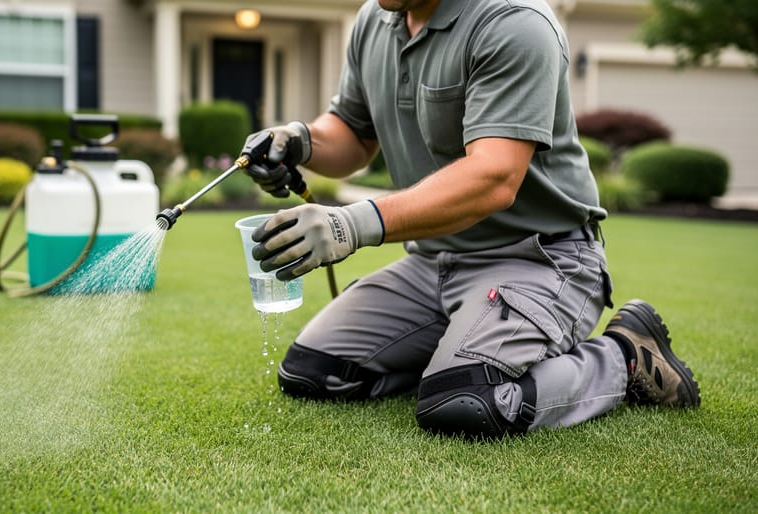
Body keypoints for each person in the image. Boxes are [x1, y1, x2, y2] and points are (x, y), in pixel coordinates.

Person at [239, 0, 700, 438]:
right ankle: (463, 349)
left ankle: (626, 357)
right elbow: (352, 134)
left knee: (466, 402)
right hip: (433, 261)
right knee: (315, 373)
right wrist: (298, 139)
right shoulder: (375, 20)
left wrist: (351, 224)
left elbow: (494, 177)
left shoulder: (514, 22)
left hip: (539, 258)